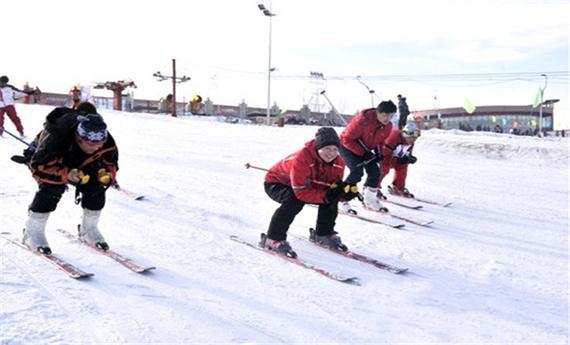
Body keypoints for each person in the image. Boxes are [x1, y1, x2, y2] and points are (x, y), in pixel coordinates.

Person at [21, 102, 119, 254]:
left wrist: (105, 175)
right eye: (91, 145)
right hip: (53, 161)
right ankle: (32, 231)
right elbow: (39, 167)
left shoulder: (106, 140)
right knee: (52, 187)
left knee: (97, 188)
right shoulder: (56, 137)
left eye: (100, 144)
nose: (97, 148)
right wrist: (66, 174)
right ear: (79, 138)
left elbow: (110, 162)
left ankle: (89, 229)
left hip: (79, 162)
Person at [262, 127, 359, 257]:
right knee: (294, 201)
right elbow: (301, 192)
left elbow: (331, 187)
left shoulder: (339, 163)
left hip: (306, 184)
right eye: (327, 149)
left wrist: (343, 194)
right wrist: (326, 195)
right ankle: (273, 238)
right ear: (318, 147)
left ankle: (323, 233)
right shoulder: (302, 158)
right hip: (277, 183)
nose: (331, 153)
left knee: (330, 198)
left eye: (335, 149)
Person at [339, 100, 396, 212]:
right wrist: (364, 153)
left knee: (375, 172)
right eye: (384, 115)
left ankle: (369, 200)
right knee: (357, 171)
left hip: (364, 150)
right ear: (377, 113)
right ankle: (340, 198)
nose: (387, 119)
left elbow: (380, 141)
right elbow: (346, 139)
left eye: (390, 116)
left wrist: (379, 153)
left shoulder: (388, 126)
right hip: (346, 146)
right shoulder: (362, 121)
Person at [380, 122, 420, 198]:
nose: (414, 140)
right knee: (384, 168)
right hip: (383, 157)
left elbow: (407, 153)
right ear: (406, 134)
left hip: (394, 158)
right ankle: (373, 187)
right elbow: (384, 152)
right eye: (412, 137)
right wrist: (396, 159)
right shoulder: (394, 136)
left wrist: (409, 158)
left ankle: (398, 187)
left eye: (415, 138)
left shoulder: (410, 143)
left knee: (403, 166)